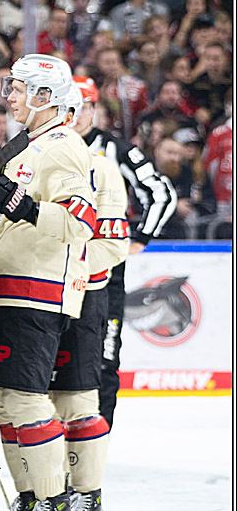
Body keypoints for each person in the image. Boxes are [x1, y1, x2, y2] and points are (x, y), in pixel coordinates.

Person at [0, 54, 94, 511]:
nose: (10, 96)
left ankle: (56, 505)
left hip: (35, 289)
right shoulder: (32, 145)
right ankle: (31, 500)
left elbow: (80, 223)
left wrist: (18, 205)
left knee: (22, 399)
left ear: (46, 95)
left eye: (19, 88)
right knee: (2, 402)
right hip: (9, 285)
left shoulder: (63, 146)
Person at [47, 80, 129, 511]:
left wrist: (68, 270)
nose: (75, 117)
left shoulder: (104, 168)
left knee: (79, 399)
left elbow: (113, 242)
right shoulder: (33, 158)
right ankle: (47, 493)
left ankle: (87, 497)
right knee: (36, 402)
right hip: (34, 299)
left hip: (83, 296)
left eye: (81, 109)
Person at [79, 76, 177, 426]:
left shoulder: (115, 148)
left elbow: (161, 192)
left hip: (105, 270)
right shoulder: (43, 147)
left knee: (104, 358)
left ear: (94, 110)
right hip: (58, 266)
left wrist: (141, 237)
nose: (74, 114)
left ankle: (96, 444)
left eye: (83, 106)